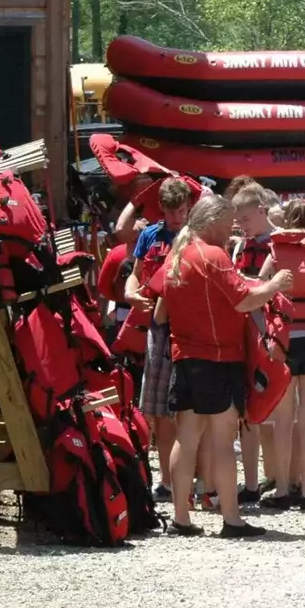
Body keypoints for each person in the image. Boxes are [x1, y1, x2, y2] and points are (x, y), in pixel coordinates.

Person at [157, 195, 294, 538]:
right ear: (213, 221)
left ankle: (180, 518)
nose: (232, 230)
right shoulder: (213, 255)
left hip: (185, 357)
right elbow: (244, 301)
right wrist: (275, 284)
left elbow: (159, 310)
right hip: (218, 358)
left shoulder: (176, 254)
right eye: (227, 222)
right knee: (222, 439)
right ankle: (231, 519)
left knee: (186, 438)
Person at [124, 177, 194, 501]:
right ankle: (167, 481)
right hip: (157, 329)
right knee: (160, 413)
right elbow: (135, 274)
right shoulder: (150, 235)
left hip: (190, 329)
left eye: (182, 211)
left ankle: (195, 482)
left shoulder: (196, 236)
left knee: (190, 412)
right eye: (171, 212)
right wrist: (130, 293)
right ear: (162, 209)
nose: (177, 218)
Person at [259, 199, 305, 511]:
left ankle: (283, 488)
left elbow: (261, 287)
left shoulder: (276, 252)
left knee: (283, 420)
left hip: (283, 341)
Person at [228, 183, 279, 505]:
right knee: (247, 411)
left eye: (246, 219)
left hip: (273, 335)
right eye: (239, 221)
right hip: (244, 335)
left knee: (275, 409)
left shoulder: (281, 243)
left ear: (262, 210)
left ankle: (276, 476)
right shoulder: (239, 248)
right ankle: (250, 483)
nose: (243, 227)